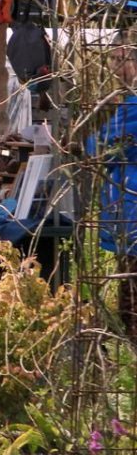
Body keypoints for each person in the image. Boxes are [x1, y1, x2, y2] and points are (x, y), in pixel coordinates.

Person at [98, 28, 137, 344]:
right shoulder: (125, 103)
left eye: (120, 58)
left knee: (131, 284)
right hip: (123, 206)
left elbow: (102, 145)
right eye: (112, 58)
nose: (115, 66)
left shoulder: (132, 107)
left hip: (131, 207)